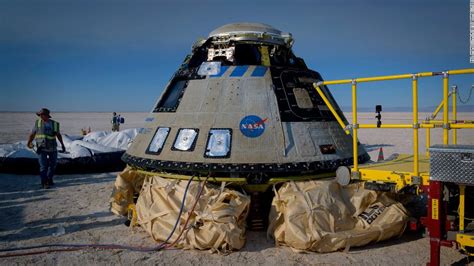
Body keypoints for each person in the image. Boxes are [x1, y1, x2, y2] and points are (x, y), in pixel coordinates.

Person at [27, 108, 66, 189]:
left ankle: (49, 179)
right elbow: (32, 134)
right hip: (42, 148)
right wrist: (29, 142)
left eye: (42, 114)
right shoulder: (37, 123)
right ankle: (44, 182)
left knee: (53, 165)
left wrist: (62, 144)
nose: (41, 116)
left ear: (47, 115)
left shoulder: (54, 124)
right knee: (43, 166)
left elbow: (58, 135)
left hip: (53, 148)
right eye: (40, 115)